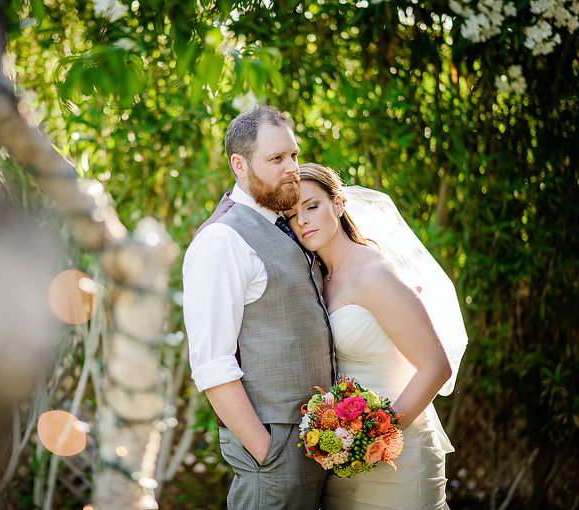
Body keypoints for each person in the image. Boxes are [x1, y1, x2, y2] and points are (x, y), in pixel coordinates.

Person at [283, 162, 464, 510]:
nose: (302, 220)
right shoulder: (320, 278)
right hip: (345, 454)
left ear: (338, 203)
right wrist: (343, 442)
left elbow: (436, 366)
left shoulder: (372, 273)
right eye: (292, 214)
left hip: (398, 453)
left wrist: (377, 436)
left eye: (311, 206)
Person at [182, 105, 334, 509]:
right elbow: (212, 363)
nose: (292, 168)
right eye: (276, 158)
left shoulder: (286, 225)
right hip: (275, 457)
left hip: (319, 446)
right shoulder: (222, 240)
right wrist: (268, 453)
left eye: (294, 155)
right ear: (240, 164)